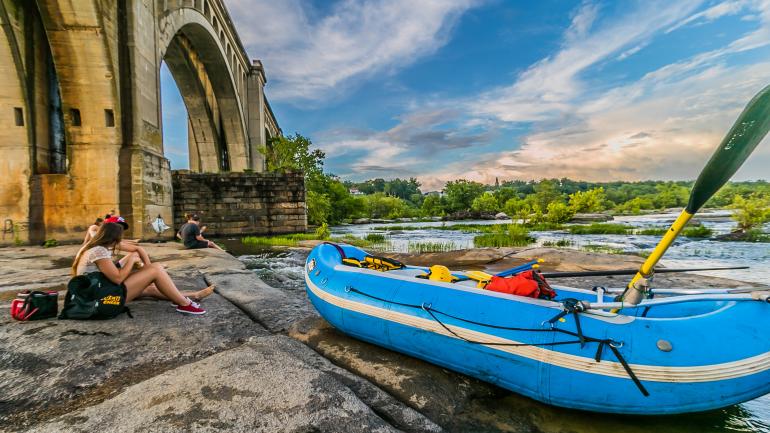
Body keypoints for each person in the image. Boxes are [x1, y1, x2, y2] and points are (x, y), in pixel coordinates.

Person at [72, 221, 210, 314]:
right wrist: (132, 261)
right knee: (155, 268)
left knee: (149, 288)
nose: (120, 241)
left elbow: (108, 273)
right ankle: (184, 304)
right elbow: (118, 279)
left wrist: (140, 268)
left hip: (93, 296)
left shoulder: (93, 247)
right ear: (113, 238)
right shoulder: (98, 251)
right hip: (104, 301)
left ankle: (190, 296)